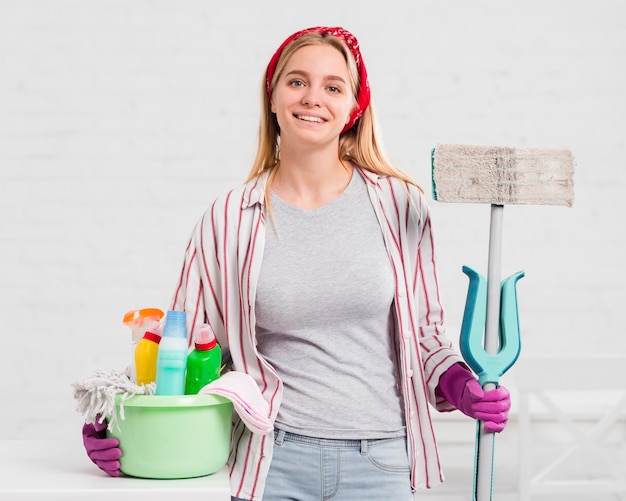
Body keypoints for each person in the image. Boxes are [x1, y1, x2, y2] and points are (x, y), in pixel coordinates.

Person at [82, 26, 511, 501]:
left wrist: (460, 385)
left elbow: (427, 337)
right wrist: (117, 416)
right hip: (270, 461)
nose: (313, 98)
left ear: (354, 107)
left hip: (382, 461)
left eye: (333, 87)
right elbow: (180, 346)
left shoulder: (400, 206)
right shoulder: (228, 218)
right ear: (273, 96)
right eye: (297, 81)